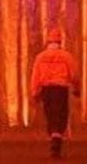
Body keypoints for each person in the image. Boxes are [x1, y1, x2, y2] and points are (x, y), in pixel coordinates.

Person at [30, 27, 80, 159]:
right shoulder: (66, 56)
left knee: (50, 115)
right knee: (61, 116)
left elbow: (35, 75)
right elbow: (74, 73)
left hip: (46, 89)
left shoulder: (40, 57)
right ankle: (56, 143)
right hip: (61, 89)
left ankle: (53, 139)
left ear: (48, 41)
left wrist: (35, 92)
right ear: (60, 41)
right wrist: (76, 88)